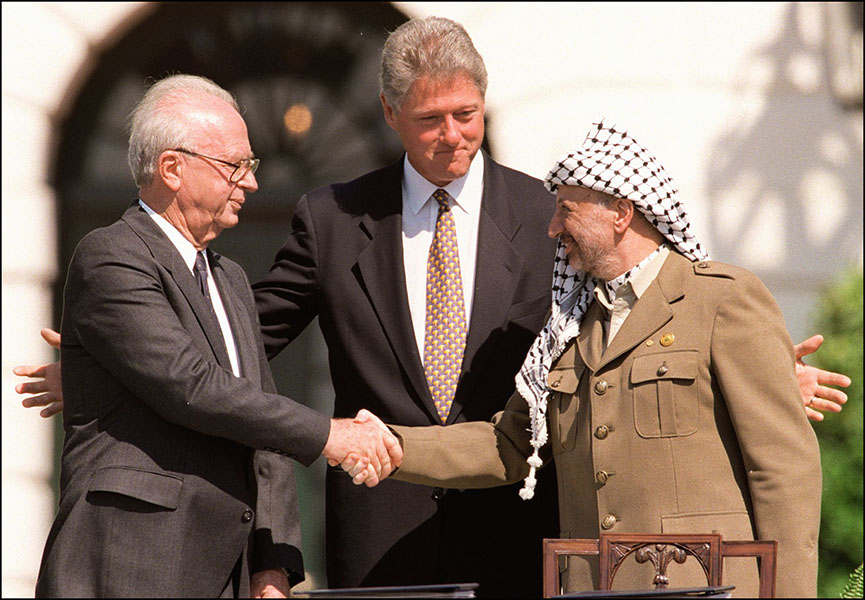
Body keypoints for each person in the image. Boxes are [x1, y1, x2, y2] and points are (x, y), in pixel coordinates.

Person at [14, 16, 849, 598]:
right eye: (429, 121)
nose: (452, 135)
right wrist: (112, 363)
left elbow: (642, 332)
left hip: (531, 536)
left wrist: (759, 375)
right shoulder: (333, 217)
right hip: (382, 536)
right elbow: (239, 341)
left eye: (466, 116)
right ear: (389, 117)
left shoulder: (547, 213)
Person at [352, 119, 824, 597]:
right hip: (591, 587)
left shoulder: (721, 300)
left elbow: (783, 469)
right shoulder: (567, 326)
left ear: (621, 212)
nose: (553, 228)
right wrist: (392, 445)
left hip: (704, 585)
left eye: (566, 211)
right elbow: (510, 445)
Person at [27, 74, 401, 598]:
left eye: (251, 166)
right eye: (235, 166)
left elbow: (258, 419)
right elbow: (191, 386)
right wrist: (330, 435)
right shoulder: (111, 255)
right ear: (173, 168)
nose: (249, 182)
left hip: (225, 572)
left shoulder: (229, 279)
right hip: (131, 565)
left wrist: (273, 566)